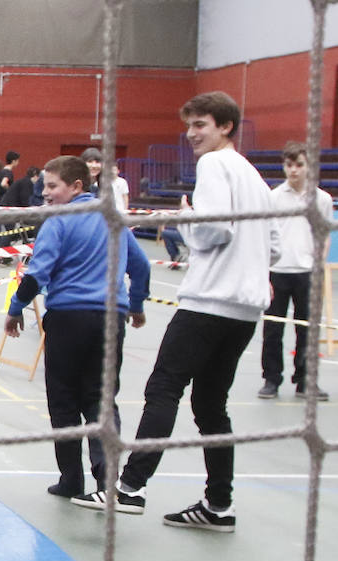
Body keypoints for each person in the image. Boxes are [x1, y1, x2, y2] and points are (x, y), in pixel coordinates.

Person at [73, 91, 281, 531]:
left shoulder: (214, 165)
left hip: (208, 302)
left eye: (201, 125)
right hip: (245, 310)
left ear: (225, 126)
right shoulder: (256, 178)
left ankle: (128, 488)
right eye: (189, 126)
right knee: (211, 407)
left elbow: (214, 231)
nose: (191, 135)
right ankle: (218, 506)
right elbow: (274, 245)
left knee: (164, 387)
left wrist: (187, 220)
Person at [4, 156, 150, 498]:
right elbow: (141, 267)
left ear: (77, 186)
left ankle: (71, 478)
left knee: (64, 401)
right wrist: (138, 305)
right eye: (44, 186)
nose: (46, 193)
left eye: (53, 186)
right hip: (110, 320)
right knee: (101, 399)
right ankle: (106, 479)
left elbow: (37, 274)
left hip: (68, 320)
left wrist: (15, 309)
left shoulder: (59, 220)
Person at [259, 140, 331, 401]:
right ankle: (271, 379)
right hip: (278, 271)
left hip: (307, 273)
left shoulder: (321, 199)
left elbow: (324, 234)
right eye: (289, 165)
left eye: (299, 165)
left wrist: (318, 263)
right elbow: (265, 233)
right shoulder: (274, 198)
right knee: (273, 329)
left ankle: (305, 382)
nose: (294, 170)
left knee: (307, 330)